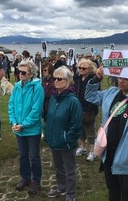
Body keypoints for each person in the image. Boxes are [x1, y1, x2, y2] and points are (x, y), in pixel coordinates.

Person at [85, 66, 128, 201]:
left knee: (126, 190)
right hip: (109, 152)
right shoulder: (112, 92)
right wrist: (96, 78)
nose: (120, 81)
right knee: (113, 189)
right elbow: (90, 96)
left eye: (125, 78)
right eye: (119, 77)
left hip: (127, 154)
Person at [44, 66, 82, 201]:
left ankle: (70, 194)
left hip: (66, 143)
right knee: (58, 167)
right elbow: (49, 117)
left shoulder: (73, 101)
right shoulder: (54, 97)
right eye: (55, 78)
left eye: (60, 78)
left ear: (68, 81)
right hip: (54, 140)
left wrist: (67, 138)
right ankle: (61, 187)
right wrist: (47, 132)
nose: (56, 81)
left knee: (69, 170)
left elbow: (76, 125)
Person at [8, 60, 44, 194]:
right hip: (19, 129)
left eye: (23, 72)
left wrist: (24, 125)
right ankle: (25, 178)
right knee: (23, 155)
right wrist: (14, 122)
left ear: (31, 73)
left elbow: (36, 110)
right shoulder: (17, 86)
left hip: (32, 130)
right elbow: (11, 105)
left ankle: (36, 181)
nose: (20, 74)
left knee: (34, 156)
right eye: (18, 71)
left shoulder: (37, 88)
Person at [74, 58, 99, 161]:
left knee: (90, 131)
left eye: (83, 68)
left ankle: (92, 151)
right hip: (78, 107)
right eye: (79, 68)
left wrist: (90, 108)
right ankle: (82, 147)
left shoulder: (93, 80)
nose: (81, 70)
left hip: (89, 109)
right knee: (81, 130)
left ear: (89, 69)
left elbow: (97, 94)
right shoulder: (78, 78)